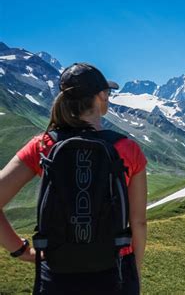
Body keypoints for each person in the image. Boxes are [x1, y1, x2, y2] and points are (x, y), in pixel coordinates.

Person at [0, 63, 148, 294]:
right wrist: (134, 273)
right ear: (100, 96)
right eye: (108, 93)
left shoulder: (43, 145)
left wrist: (21, 251)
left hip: (57, 271)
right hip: (115, 270)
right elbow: (138, 222)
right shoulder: (128, 149)